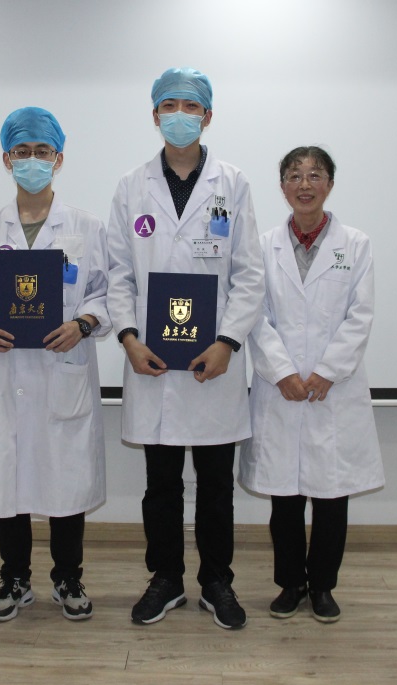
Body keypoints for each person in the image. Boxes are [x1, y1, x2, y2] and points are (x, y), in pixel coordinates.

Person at [107, 67, 264, 630]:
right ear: (154, 115)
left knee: (217, 485)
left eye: (190, 106)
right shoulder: (131, 187)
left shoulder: (233, 183)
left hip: (213, 364)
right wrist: (128, 338)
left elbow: (250, 273)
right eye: (169, 105)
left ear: (208, 116)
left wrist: (227, 342)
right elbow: (118, 274)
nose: (180, 115)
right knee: (161, 485)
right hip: (151, 360)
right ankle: (166, 579)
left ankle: (217, 582)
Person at [0, 107, 109, 622]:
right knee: (10, 480)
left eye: (42, 152)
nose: (32, 160)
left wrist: (83, 323)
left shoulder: (86, 227)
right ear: (6, 159)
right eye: (21, 152)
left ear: (59, 159)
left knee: (67, 480)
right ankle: (14, 578)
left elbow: (107, 293)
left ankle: (68, 578)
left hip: (63, 368)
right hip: (10, 374)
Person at [239, 146, 385, 623]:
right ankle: (290, 584)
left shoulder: (355, 244)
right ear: (282, 187)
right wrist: (281, 371)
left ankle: (322, 586)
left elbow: (360, 315)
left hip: (332, 389)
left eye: (315, 175)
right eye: (295, 176)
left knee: (331, 496)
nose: (305, 184)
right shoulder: (262, 246)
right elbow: (253, 313)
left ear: (330, 184)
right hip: (280, 387)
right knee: (285, 497)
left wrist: (327, 371)